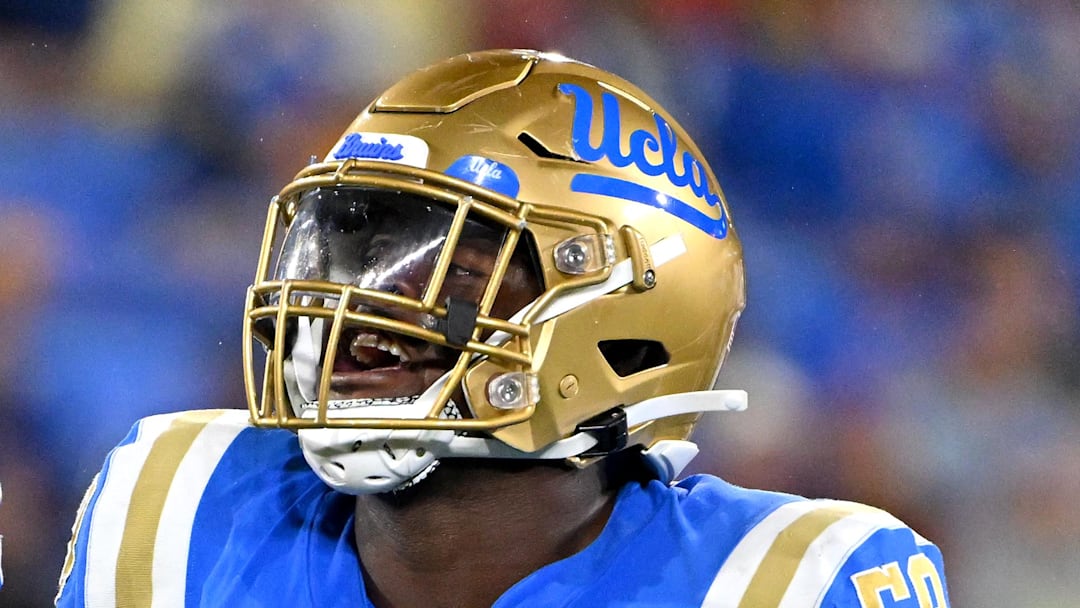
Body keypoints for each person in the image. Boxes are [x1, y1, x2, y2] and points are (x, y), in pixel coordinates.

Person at [54, 50, 950, 607]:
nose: (358, 318)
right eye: (351, 253)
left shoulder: (790, 582)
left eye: (457, 274)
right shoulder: (177, 506)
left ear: (625, 328)